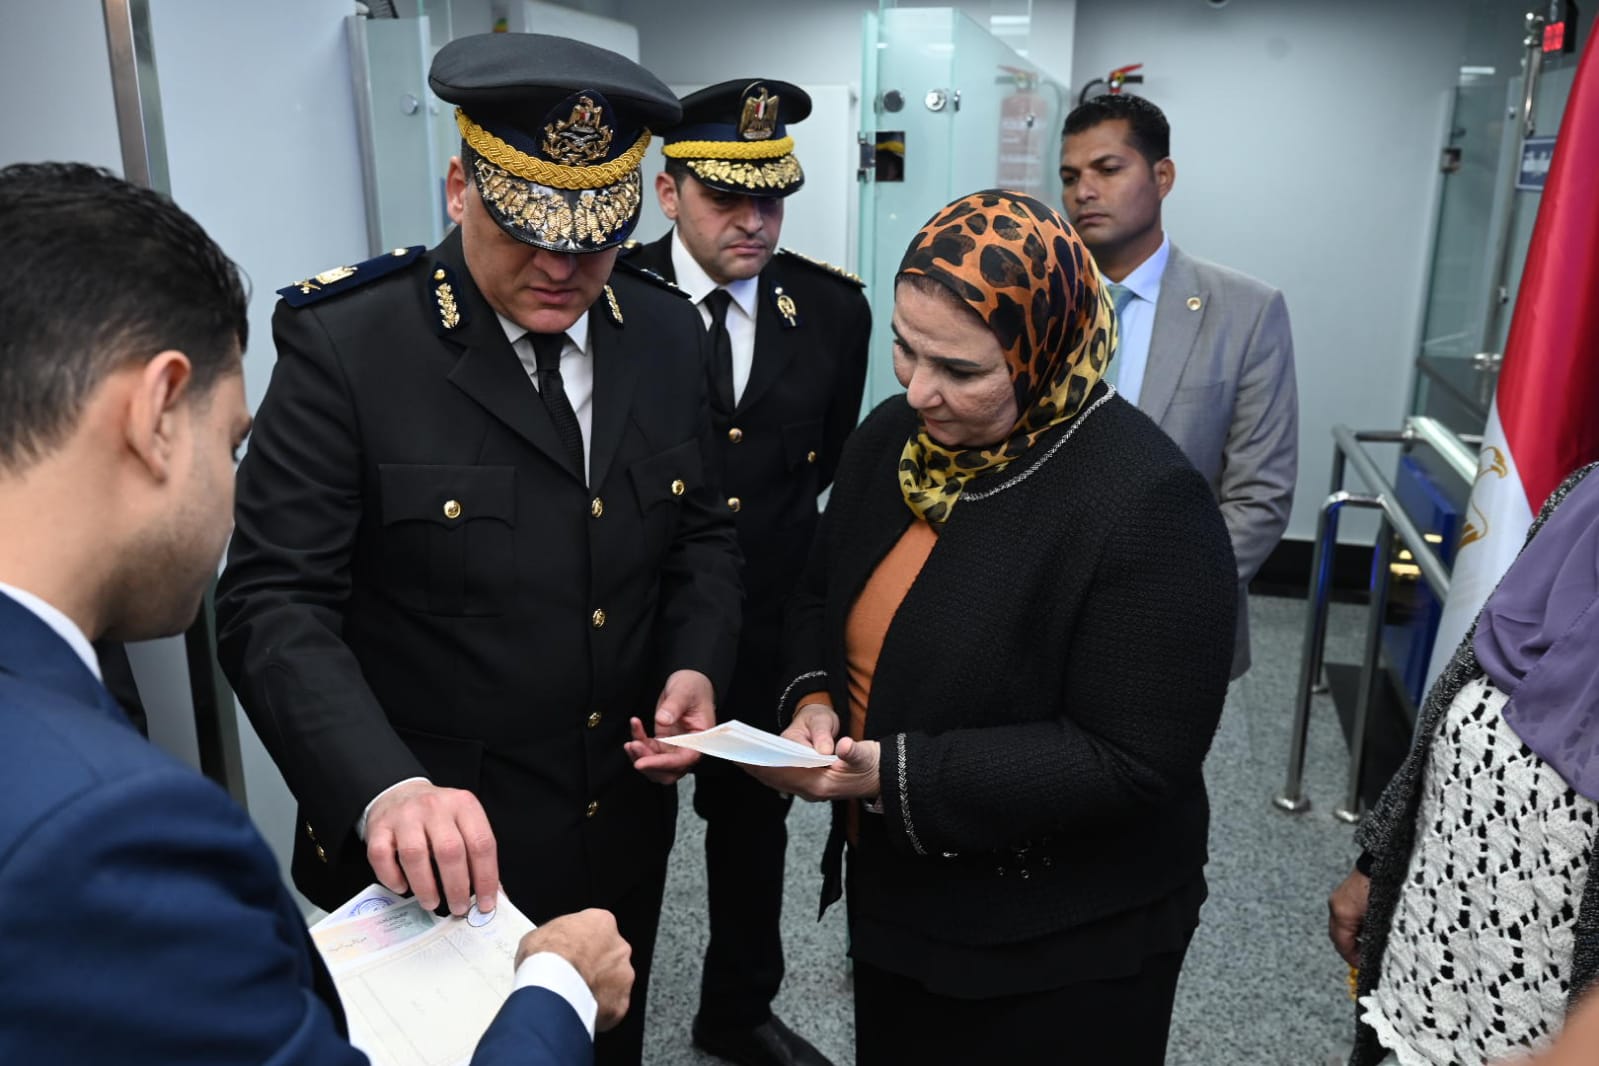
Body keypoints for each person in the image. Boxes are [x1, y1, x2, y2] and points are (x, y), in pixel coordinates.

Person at [0, 160, 634, 1064]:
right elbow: (274, 595)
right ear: (156, 414)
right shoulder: (113, 827)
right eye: (233, 443)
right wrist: (560, 987)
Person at [213, 33, 742, 1064]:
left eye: (594, 238)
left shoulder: (666, 334)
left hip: (615, 835)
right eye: (529, 230)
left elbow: (705, 533)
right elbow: (272, 604)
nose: (562, 266)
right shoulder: (350, 345)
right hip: (430, 864)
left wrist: (695, 660)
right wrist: (385, 788)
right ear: (461, 187)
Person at [746, 190, 1237, 1064]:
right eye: (905, 347)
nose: (918, 389)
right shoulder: (893, 440)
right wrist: (813, 699)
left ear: (1046, 348)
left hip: (1058, 939)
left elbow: (1132, 759)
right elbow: (817, 596)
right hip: (900, 892)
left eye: (961, 370)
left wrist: (895, 773)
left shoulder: (1147, 500)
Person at [623, 77, 868, 1066]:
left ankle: (737, 1010)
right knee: (623, 837)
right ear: (669, 192)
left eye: (772, 199)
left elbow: (826, 472)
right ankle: (599, 1020)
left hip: (766, 623)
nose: (755, 221)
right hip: (635, 625)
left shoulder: (832, 310)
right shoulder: (611, 294)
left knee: (753, 834)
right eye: (727, 197)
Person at [1328, 462, 1599, 1066]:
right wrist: (1375, 862)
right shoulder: (1585, 493)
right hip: (1436, 926)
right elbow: (1458, 694)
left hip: (1561, 1004)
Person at [1059, 92, 1297, 679]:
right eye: (1070, 177)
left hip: (1172, 620)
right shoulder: (1042, 301)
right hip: (1041, 613)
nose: (1084, 191)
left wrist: (1161, 594)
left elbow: (1260, 495)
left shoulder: (1246, 311)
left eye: (1107, 169)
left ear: (1162, 176)